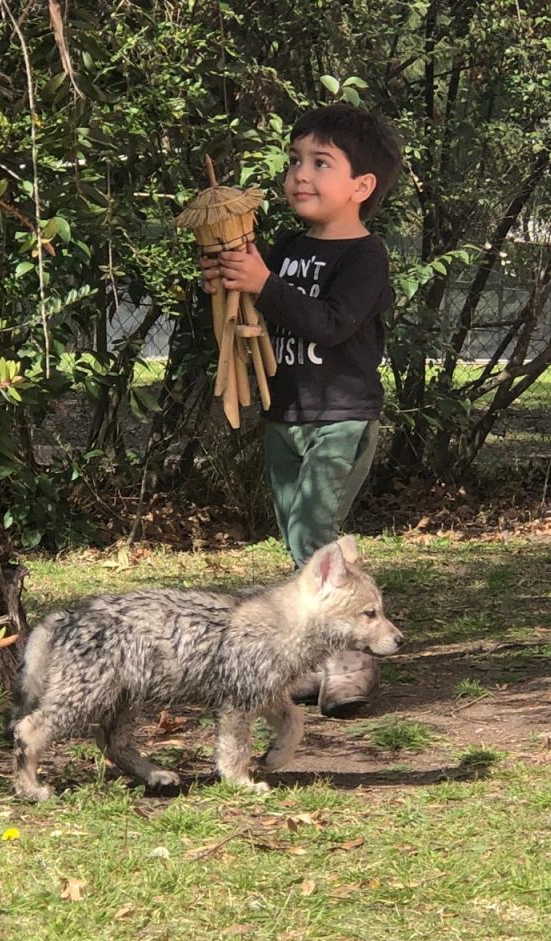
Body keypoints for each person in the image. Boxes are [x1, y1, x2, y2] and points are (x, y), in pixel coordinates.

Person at [201, 102, 402, 717]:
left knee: (315, 532)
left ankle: (353, 656)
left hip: (342, 415)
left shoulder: (365, 257)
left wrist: (262, 282)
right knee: (299, 540)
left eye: (320, 163)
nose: (299, 175)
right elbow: (260, 315)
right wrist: (227, 282)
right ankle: (319, 655)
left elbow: (331, 324)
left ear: (361, 187)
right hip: (284, 414)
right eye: (294, 161)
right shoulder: (284, 247)